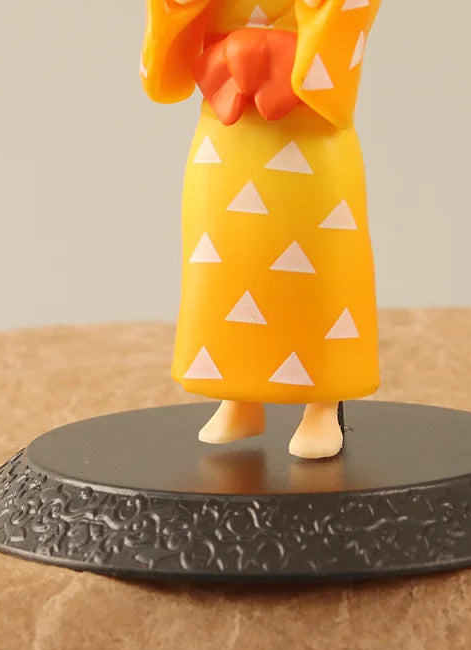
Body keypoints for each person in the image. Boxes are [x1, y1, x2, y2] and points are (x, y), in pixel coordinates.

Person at [142, 0, 381, 458]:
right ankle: (239, 398)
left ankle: (322, 406)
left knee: (317, 268)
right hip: (225, 125)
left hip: (307, 122)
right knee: (227, 263)